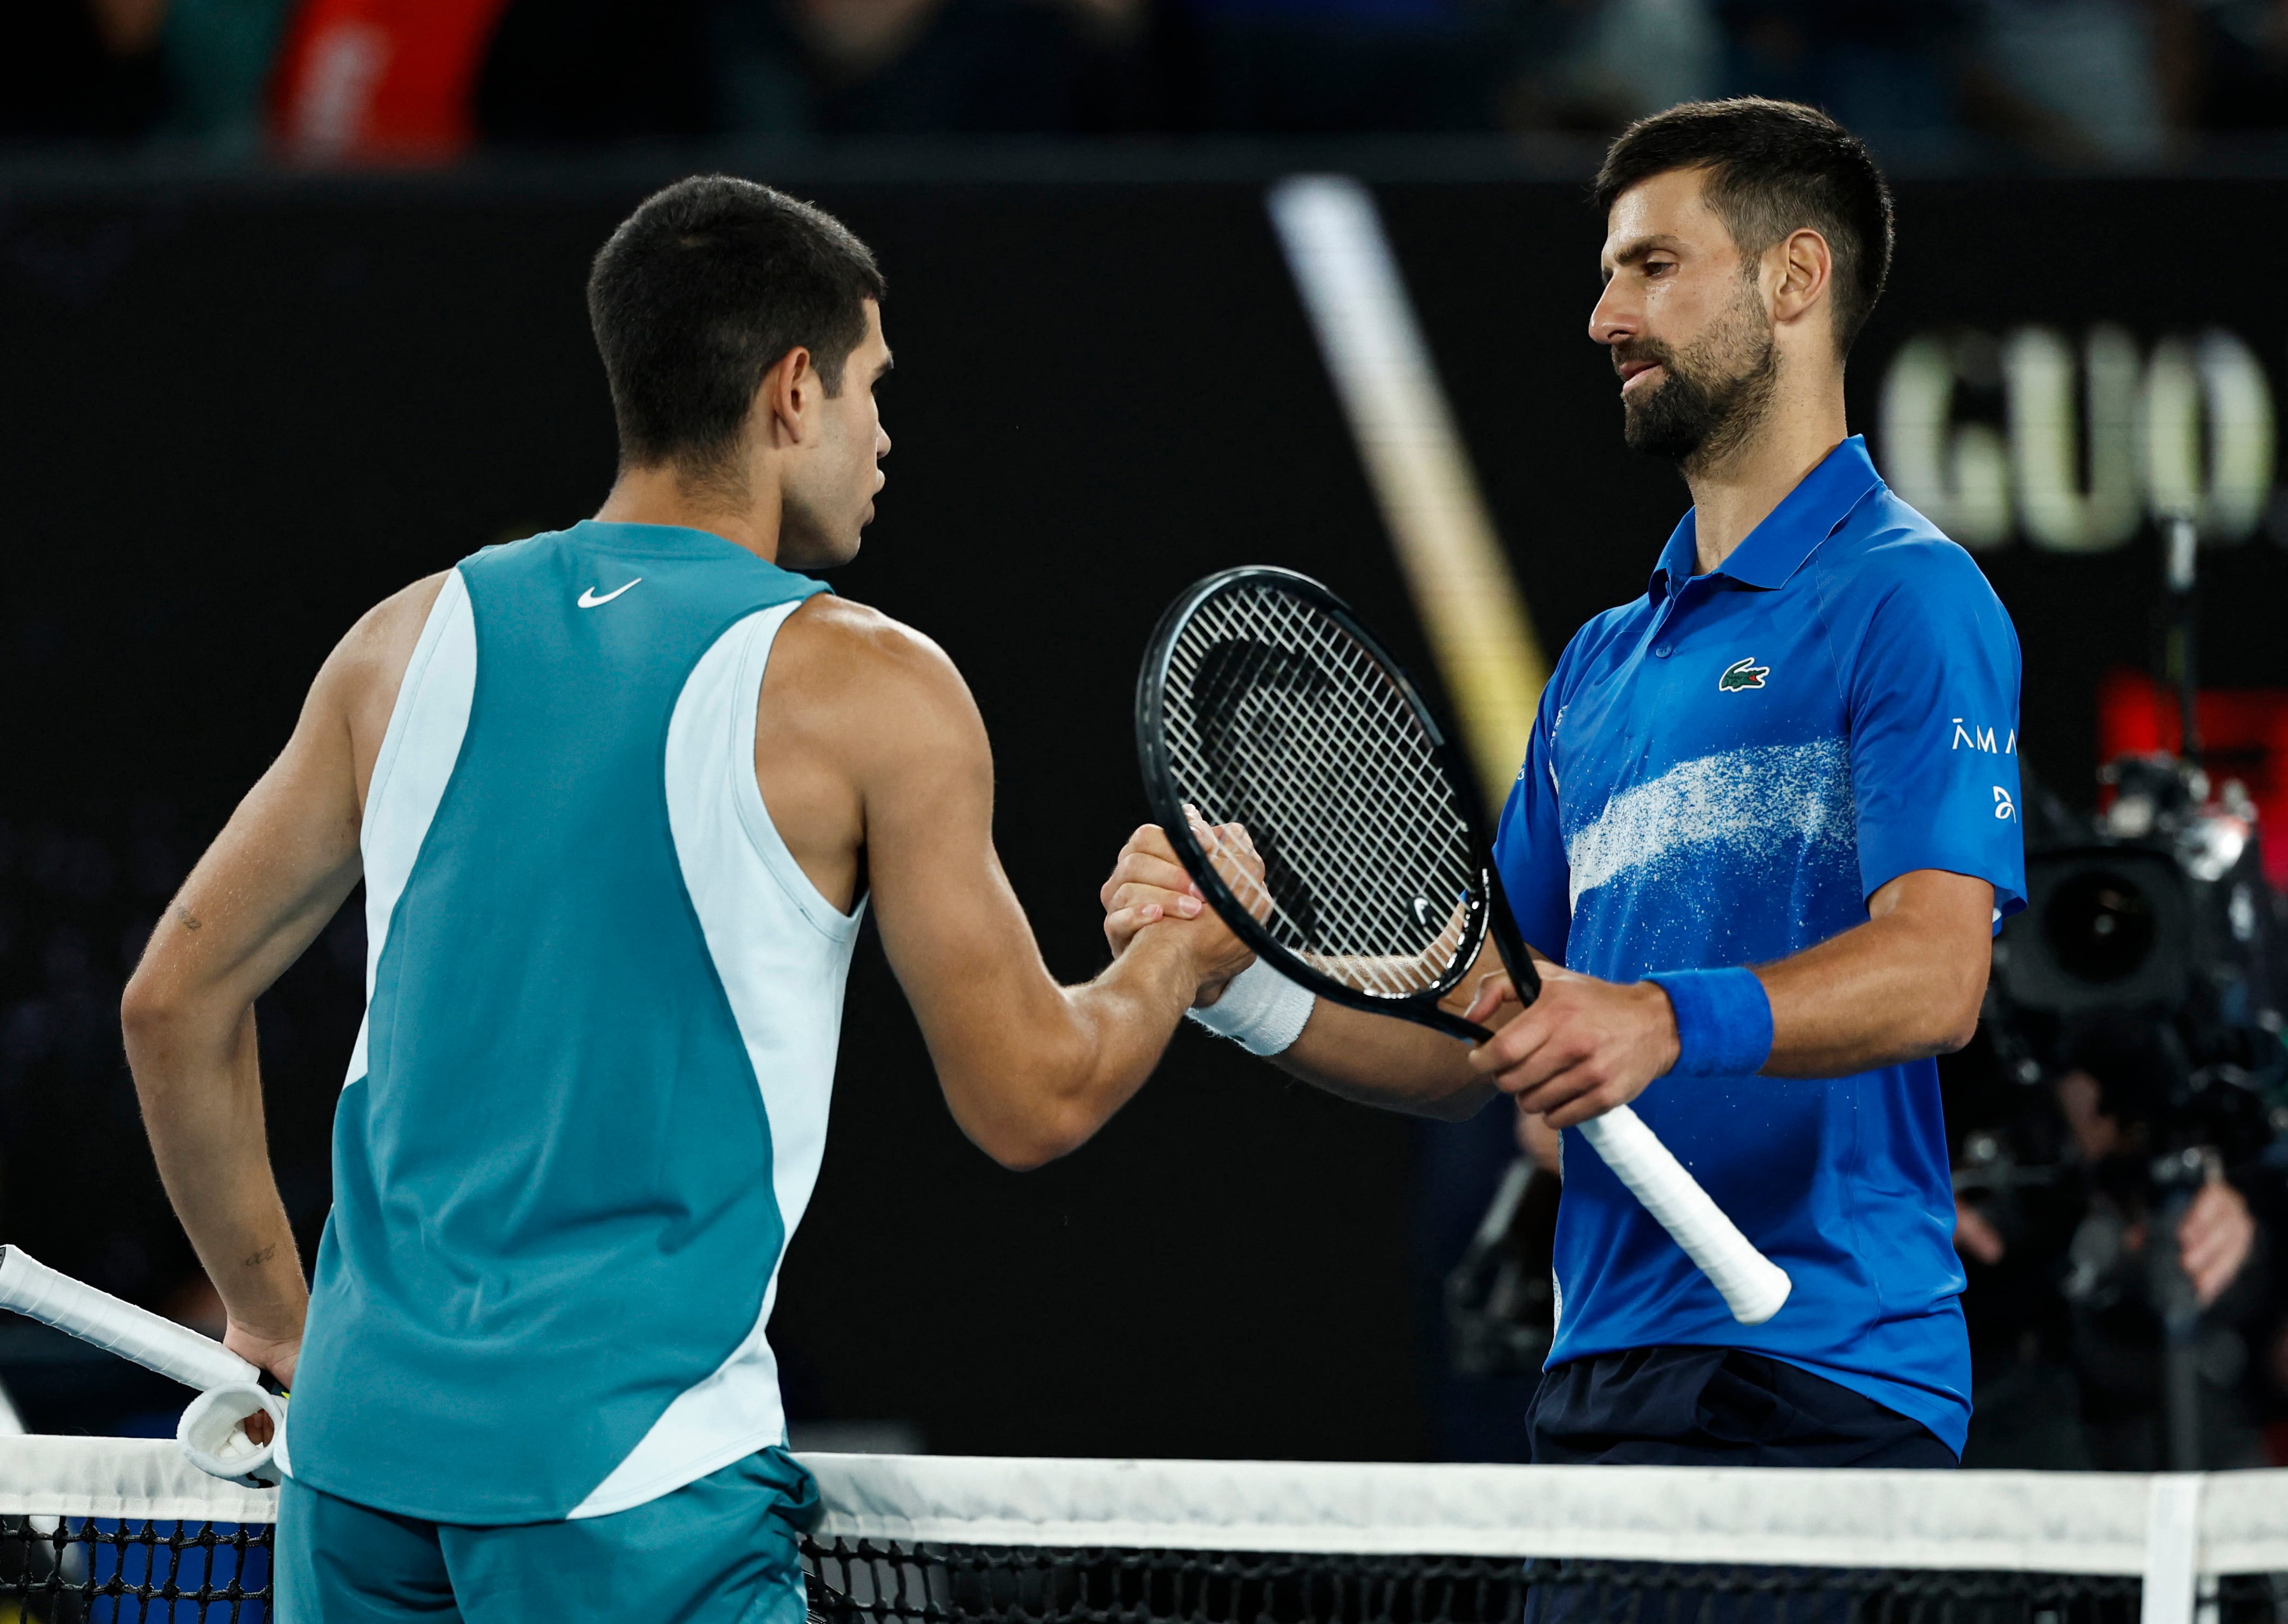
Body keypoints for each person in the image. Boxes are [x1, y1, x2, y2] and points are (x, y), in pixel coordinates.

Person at [119, 174, 1248, 1621]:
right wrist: (1175, 955)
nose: (883, 436)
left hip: (355, 1480)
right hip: (629, 1490)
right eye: (871, 388)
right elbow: (1032, 1095)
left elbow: (172, 1000)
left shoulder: (403, 641)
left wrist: (281, 1321)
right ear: (793, 390)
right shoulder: (873, 686)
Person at [1102, 98, 2025, 1467]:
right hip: (1597, 1375)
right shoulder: (1595, 669)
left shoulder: (1912, 597)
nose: (1604, 316)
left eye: (1653, 265)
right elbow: (1474, 1023)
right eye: (1607, 274)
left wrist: (1658, 1018)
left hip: (1827, 1374)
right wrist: (1238, 973)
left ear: (1793, 279)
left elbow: (1938, 975)